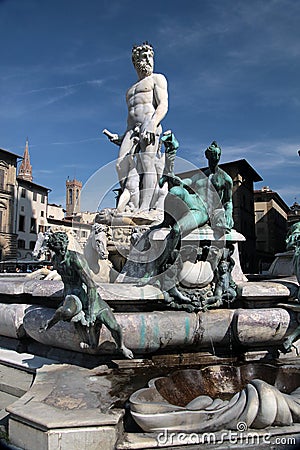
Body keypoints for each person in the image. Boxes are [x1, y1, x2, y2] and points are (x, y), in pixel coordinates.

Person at [40, 232, 133, 359]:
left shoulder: (75, 259)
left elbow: (91, 285)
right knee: (66, 312)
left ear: (65, 244)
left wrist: (91, 312)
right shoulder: (55, 260)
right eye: (55, 247)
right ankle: (49, 324)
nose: (59, 249)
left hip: (89, 297)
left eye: (60, 245)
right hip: (73, 296)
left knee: (114, 326)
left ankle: (121, 346)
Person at [104, 42, 168, 212]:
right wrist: (120, 137)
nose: (148, 60)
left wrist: (153, 124)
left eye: (150, 57)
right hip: (132, 131)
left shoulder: (157, 79)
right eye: (144, 57)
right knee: (120, 165)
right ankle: (132, 202)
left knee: (148, 164)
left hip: (149, 125)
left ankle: (145, 207)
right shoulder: (130, 90)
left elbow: (163, 105)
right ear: (136, 61)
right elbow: (130, 118)